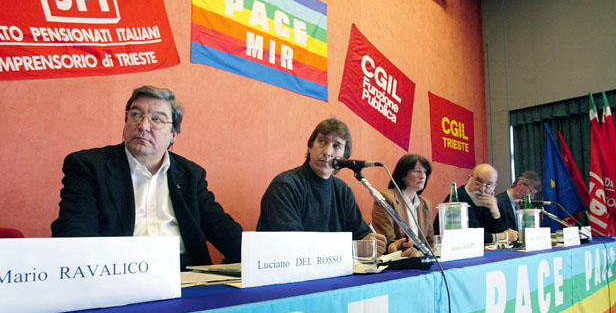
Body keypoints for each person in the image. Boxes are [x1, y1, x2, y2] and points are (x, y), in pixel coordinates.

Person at [51, 85, 242, 271]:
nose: (143, 126)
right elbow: (75, 232)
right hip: (120, 272)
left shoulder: (191, 174)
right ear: (125, 122)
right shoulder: (89, 166)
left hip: (183, 274)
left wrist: (256, 259)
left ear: (173, 135)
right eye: (136, 115)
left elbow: (222, 228)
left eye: (157, 119)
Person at [256, 118, 387, 255]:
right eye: (322, 141)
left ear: (344, 157)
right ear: (310, 146)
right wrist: (353, 248)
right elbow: (292, 246)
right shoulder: (285, 186)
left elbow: (361, 235)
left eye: (336, 146)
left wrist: (387, 246)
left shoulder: (342, 191)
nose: (327, 152)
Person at [433, 163, 516, 243]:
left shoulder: (487, 201)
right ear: (469, 179)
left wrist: (495, 213)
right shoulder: (458, 197)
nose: (482, 189)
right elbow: (471, 235)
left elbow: (500, 231)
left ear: (494, 186)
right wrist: (502, 236)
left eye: (488, 185)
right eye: (478, 183)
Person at [371, 154, 434, 257]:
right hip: (398, 259)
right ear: (403, 174)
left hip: (421, 259)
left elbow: (430, 241)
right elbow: (388, 241)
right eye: (417, 171)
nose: (422, 176)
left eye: (425, 172)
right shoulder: (386, 199)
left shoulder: (426, 204)